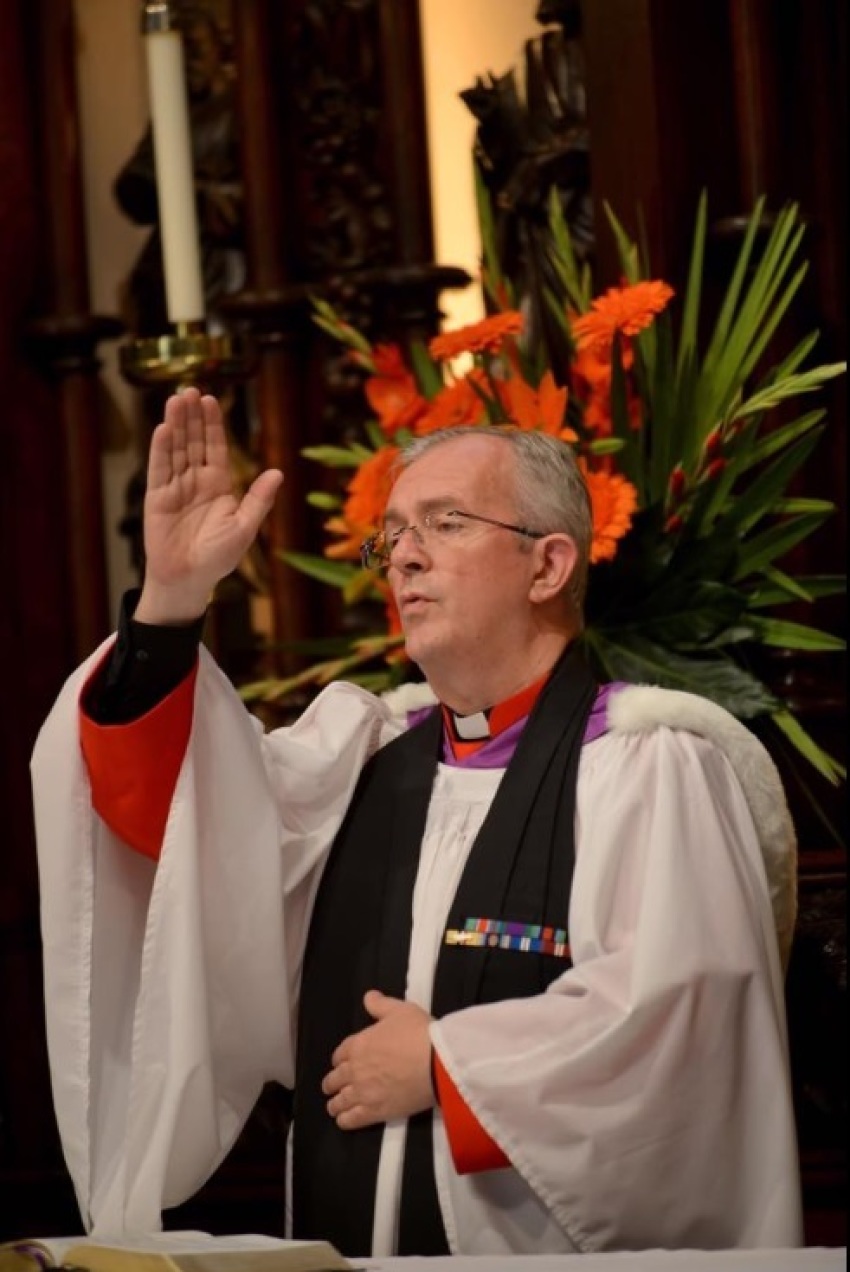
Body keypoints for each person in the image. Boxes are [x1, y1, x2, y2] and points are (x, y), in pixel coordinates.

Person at [31, 388, 803, 1257]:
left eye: (444, 523)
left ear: (548, 567)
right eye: (393, 534)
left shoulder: (650, 764)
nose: (404, 558)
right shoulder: (362, 761)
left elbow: (682, 1025)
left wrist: (447, 1065)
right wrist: (171, 599)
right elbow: (178, 832)